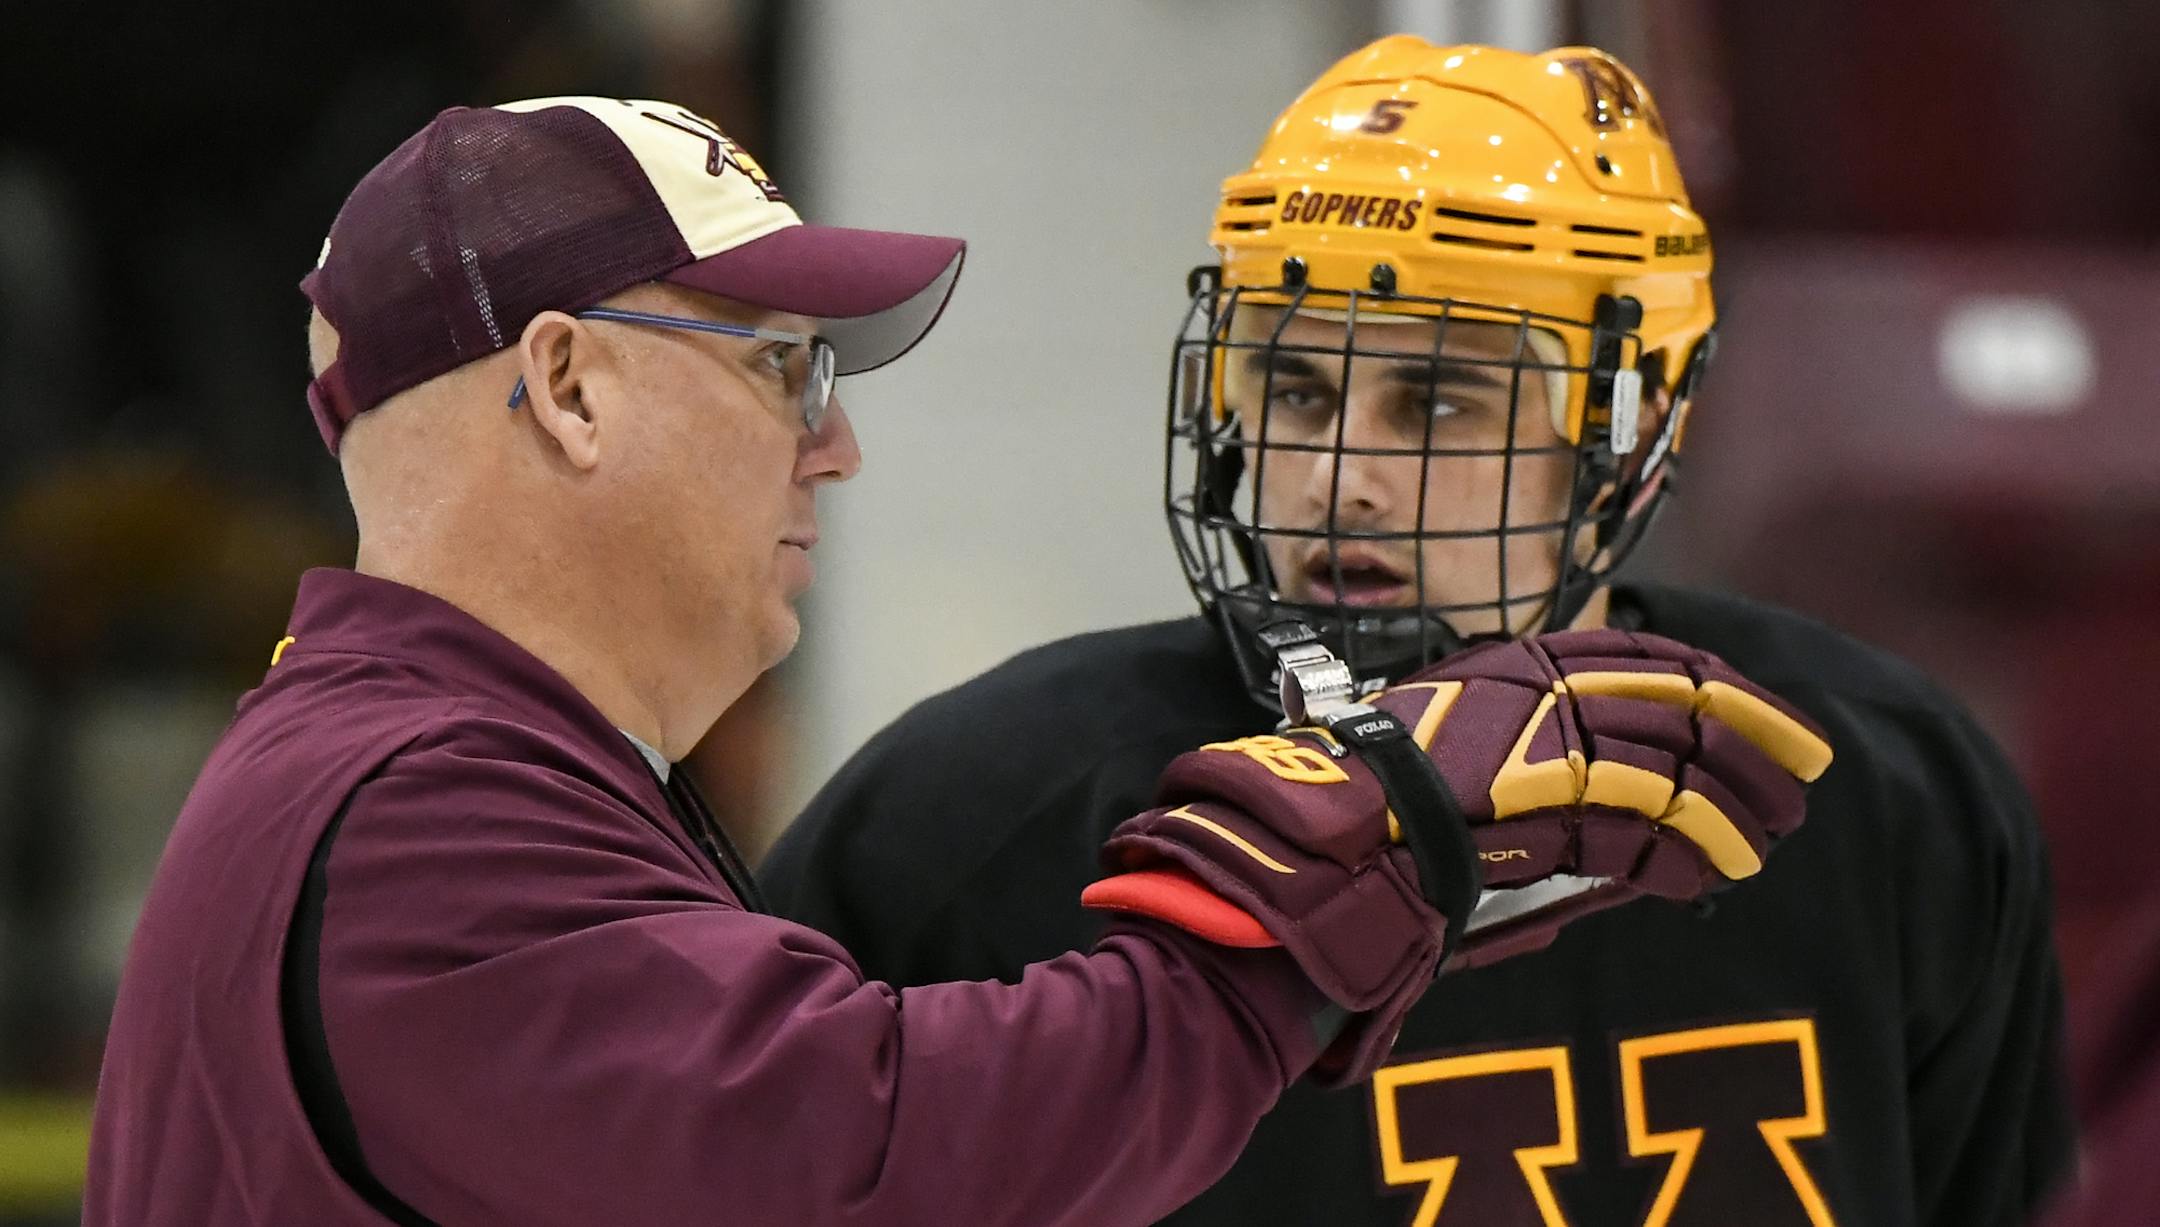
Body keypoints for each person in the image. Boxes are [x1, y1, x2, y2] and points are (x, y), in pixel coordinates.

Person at [79, 95, 1821, 1226]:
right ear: (572, 384)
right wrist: (1371, 845)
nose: (835, 450)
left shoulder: (412, 772)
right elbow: (890, 1158)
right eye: (784, 371)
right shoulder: (423, 823)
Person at [761, 39, 2076, 1226]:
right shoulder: (970, 820)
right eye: (1295, 386)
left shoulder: (1886, 789)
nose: (1341, 477)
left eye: (1434, 403)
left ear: (1628, 437)